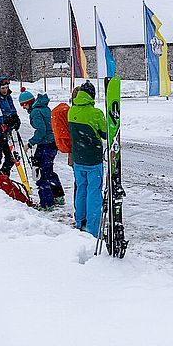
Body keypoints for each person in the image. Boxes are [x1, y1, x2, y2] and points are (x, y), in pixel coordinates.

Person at [67, 81, 107, 237]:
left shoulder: (72, 111)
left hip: (78, 159)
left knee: (81, 190)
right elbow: (105, 133)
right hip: (93, 159)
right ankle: (92, 227)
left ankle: (79, 222)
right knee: (94, 192)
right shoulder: (95, 113)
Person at [18, 89, 65, 209]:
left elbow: (41, 131)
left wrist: (30, 143)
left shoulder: (35, 112)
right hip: (53, 143)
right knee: (48, 171)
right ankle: (58, 195)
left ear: (27, 103)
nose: (23, 108)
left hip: (45, 144)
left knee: (41, 173)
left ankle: (46, 203)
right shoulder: (44, 107)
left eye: (23, 105)